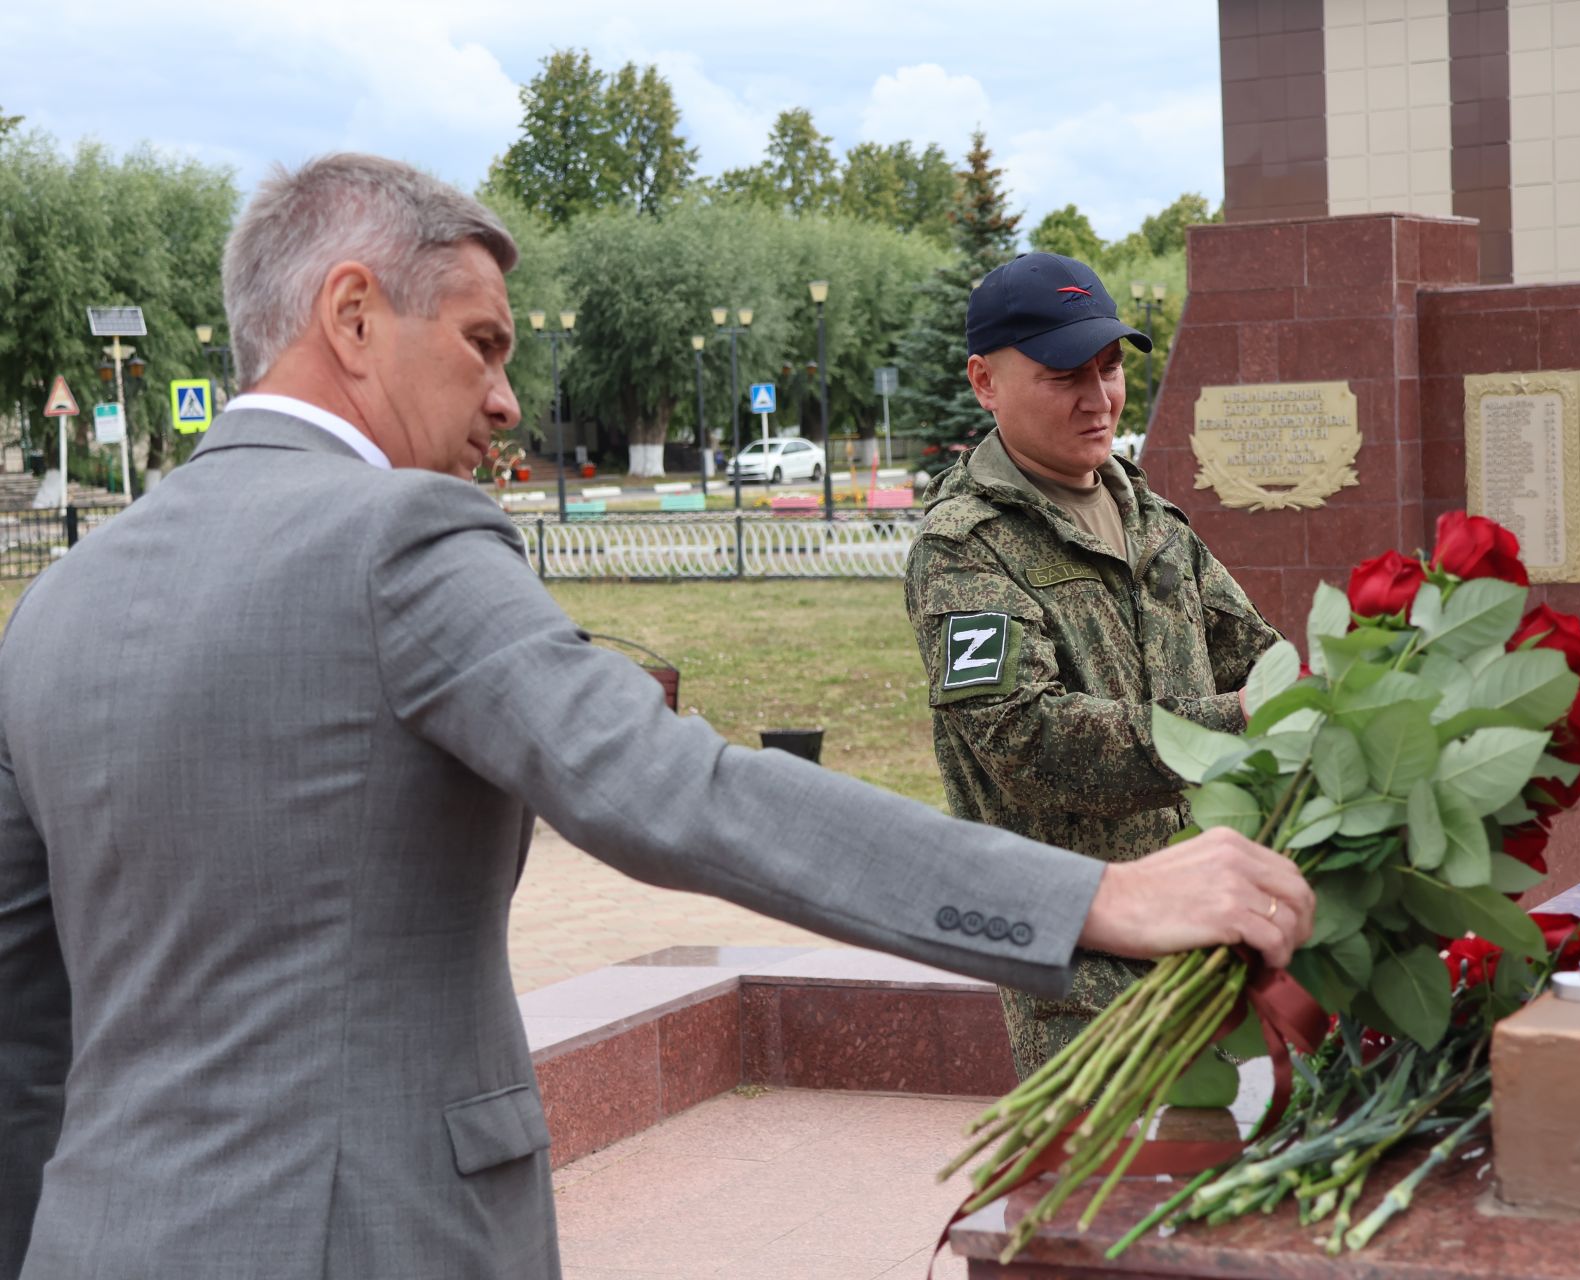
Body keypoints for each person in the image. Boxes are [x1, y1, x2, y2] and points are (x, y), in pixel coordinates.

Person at [0, 155, 1313, 1280]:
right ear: (352, 315)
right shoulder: (400, 537)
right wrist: (1094, 900)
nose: (507, 401)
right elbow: (678, 791)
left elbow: (22, 1037)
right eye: (483, 344)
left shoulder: (57, 605)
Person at [904, 252, 1288, 1080]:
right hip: (1078, 961)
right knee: (1103, 1186)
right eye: (1064, 375)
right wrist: (1240, 720)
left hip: (1205, 931)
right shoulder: (967, 548)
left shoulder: (1147, 517)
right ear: (984, 381)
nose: (1099, 398)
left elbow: (1256, 656)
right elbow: (1027, 747)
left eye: (1111, 368)